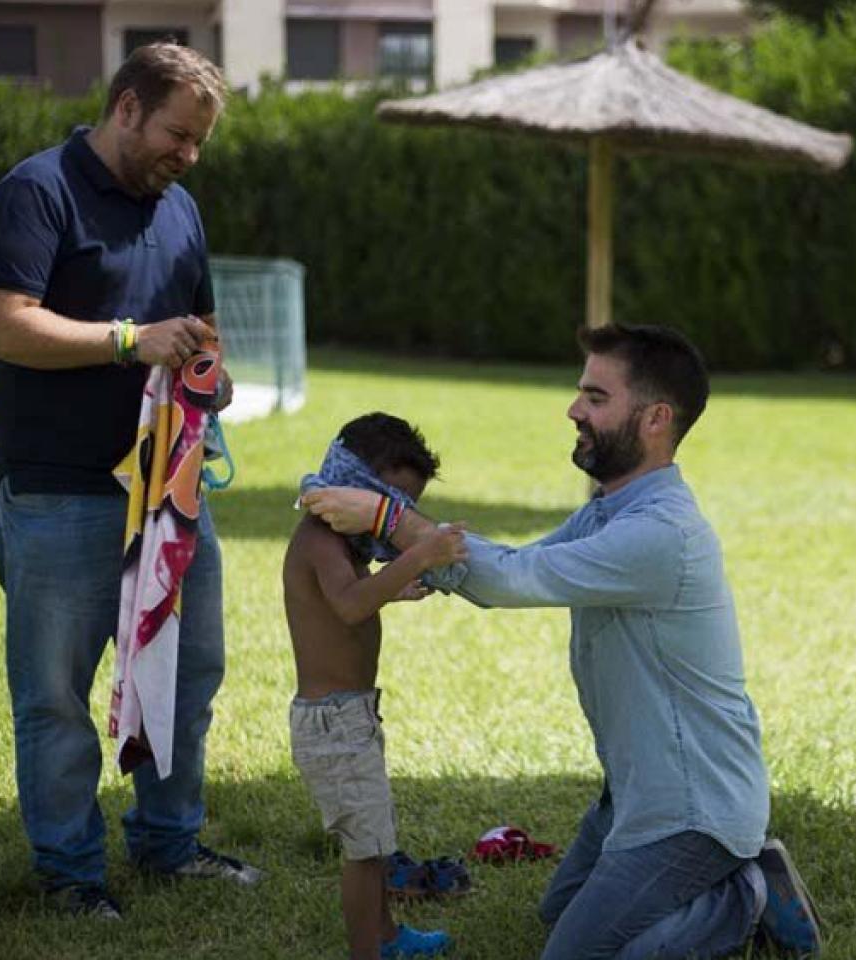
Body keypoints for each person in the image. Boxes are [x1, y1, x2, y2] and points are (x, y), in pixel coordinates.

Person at [303, 323, 824, 959]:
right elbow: (511, 563)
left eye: (596, 397)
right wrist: (413, 552)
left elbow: (512, 579)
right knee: (558, 914)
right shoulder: (610, 511)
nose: (574, 409)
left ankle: (747, 895)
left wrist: (389, 518)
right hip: (634, 796)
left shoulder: (662, 534)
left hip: (694, 813)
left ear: (656, 419)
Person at [0, 41, 254, 920]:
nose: (189, 156)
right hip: (58, 492)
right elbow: (1, 327)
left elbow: (199, 323)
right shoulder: (36, 191)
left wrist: (211, 372)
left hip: (172, 491)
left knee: (188, 675)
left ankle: (170, 844)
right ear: (126, 107)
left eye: (200, 142)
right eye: (178, 135)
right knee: (56, 695)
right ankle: (69, 874)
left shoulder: (181, 208)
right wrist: (133, 340)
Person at [285, 413, 467, 960]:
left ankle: (387, 936)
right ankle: (369, 950)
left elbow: (353, 597)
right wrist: (419, 554)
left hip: (352, 715)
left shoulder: (343, 547)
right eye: (391, 507)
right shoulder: (319, 539)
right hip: (333, 723)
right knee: (363, 853)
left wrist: (395, 586)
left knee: (375, 840)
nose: (390, 527)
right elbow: (348, 605)